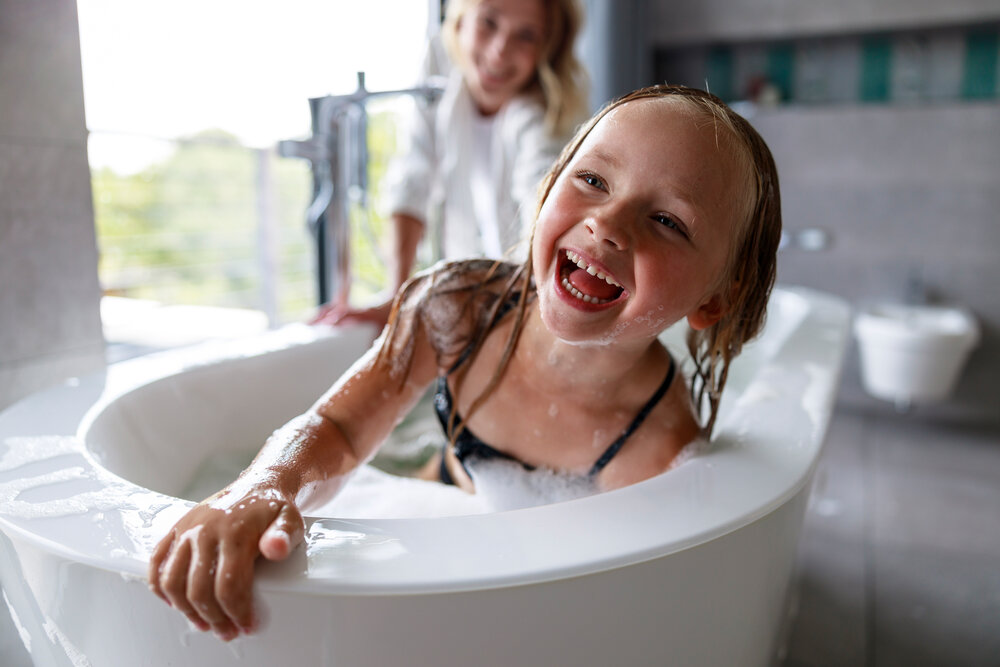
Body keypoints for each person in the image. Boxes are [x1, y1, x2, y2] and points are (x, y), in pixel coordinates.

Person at [148, 84, 782, 642]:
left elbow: (601, 595)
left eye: (668, 220)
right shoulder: (458, 311)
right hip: (431, 485)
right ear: (549, 186)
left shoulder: (658, 441)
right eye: (592, 180)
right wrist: (266, 484)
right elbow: (339, 428)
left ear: (714, 299)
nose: (609, 225)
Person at [314, 0, 589, 328]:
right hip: (468, 297)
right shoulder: (439, 62)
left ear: (548, 50)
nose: (500, 50)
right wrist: (395, 298)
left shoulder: (543, 120)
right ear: (460, 21)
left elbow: (542, 198)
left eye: (526, 36)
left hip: (525, 304)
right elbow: (413, 175)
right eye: (488, 22)